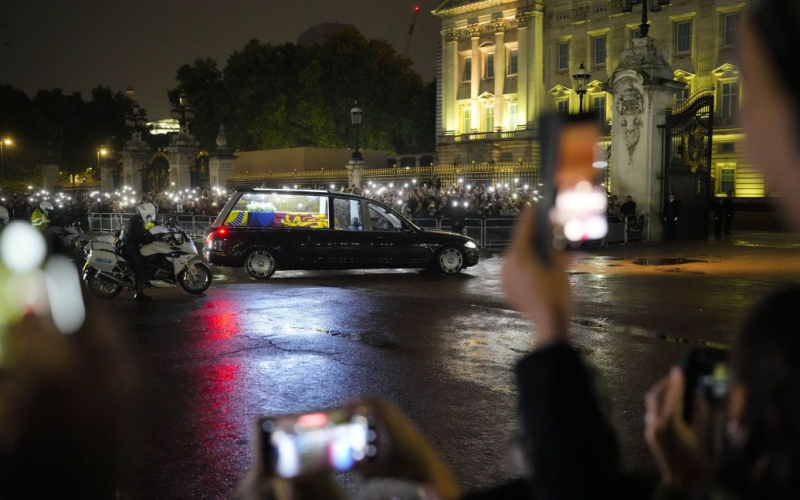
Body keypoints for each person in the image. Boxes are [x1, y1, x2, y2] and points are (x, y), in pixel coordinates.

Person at [120, 202, 156, 302]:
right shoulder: (136, 221)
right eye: (149, 215)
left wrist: (158, 226)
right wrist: (152, 240)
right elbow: (141, 236)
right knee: (141, 266)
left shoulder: (138, 219)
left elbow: (148, 226)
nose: (150, 217)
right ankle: (138, 293)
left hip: (131, 245)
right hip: (128, 247)